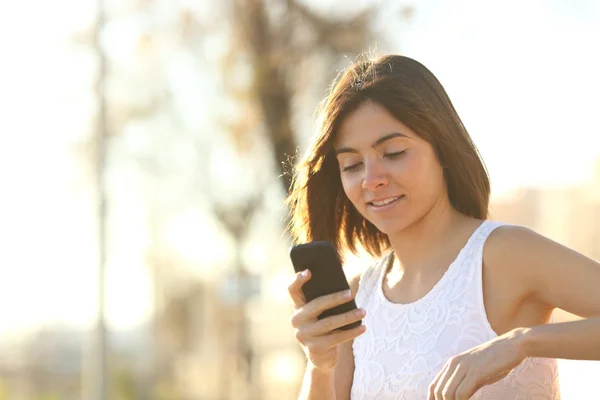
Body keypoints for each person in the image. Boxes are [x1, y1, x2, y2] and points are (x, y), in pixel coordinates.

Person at [285, 54, 600, 400]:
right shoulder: (360, 296)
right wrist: (320, 362)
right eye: (353, 164)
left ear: (443, 149)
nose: (371, 180)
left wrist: (521, 342)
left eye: (393, 153)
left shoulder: (503, 255)